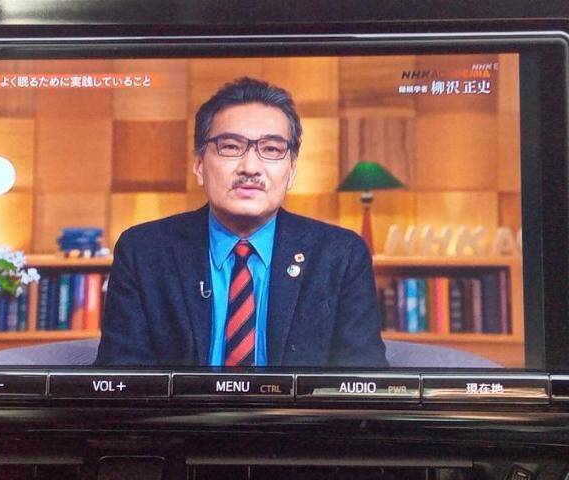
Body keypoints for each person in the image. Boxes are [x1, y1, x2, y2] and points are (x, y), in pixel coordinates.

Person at [95, 77, 388, 367]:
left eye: (271, 150)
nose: (250, 168)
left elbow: (363, 382)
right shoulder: (143, 252)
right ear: (199, 166)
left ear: (292, 172)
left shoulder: (341, 256)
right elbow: (120, 380)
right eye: (231, 147)